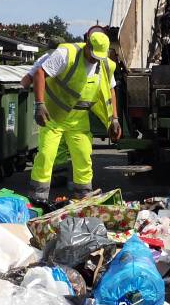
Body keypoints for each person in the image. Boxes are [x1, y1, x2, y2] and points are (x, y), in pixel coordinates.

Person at [29, 31, 121, 203]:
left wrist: (114, 119)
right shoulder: (66, 53)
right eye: (93, 55)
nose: (95, 60)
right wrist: (39, 104)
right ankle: (37, 199)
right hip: (54, 116)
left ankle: (83, 198)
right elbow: (40, 73)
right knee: (46, 156)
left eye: (99, 57)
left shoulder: (105, 64)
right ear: (87, 45)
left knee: (83, 157)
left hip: (79, 119)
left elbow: (110, 90)